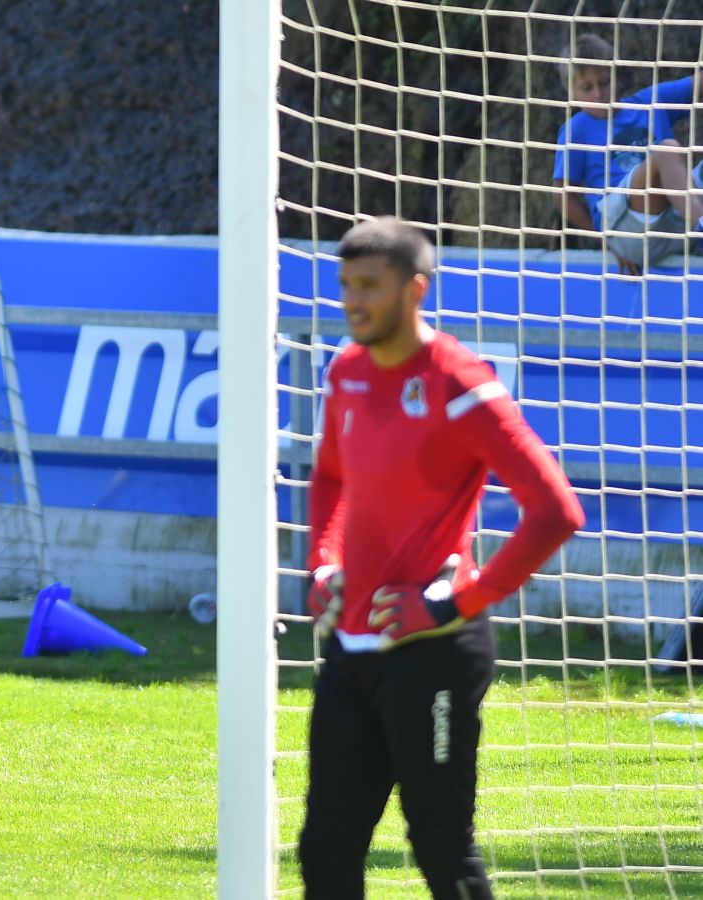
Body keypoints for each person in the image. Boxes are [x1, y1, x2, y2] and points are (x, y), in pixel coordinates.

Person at [298, 217, 584, 898]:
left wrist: (459, 601)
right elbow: (330, 478)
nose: (353, 300)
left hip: (434, 652)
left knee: (439, 850)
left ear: (414, 289)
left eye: (370, 285)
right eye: (345, 285)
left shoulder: (460, 382)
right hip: (351, 649)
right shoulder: (345, 371)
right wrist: (322, 561)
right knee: (325, 848)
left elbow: (554, 511)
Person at [552, 33, 701, 275]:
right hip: (626, 230)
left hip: (674, 219)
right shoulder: (576, 130)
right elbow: (562, 196)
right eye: (586, 87)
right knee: (667, 150)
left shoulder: (650, 102)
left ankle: (696, 224)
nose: (598, 94)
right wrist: (607, 242)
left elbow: (698, 83)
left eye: (605, 82)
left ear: (617, 77)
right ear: (571, 93)